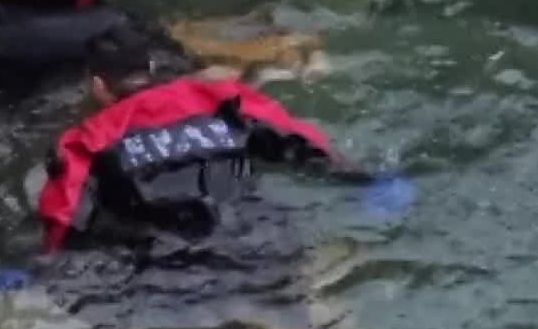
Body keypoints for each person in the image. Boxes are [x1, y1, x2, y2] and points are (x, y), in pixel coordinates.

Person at [37, 20, 373, 253]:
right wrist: (367, 180)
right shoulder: (221, 97)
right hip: (261, 235)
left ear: (98, 87)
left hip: (173, 263)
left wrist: (34, 266)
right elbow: (298, 139)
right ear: (151, 69)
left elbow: (64, 219)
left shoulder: (89, 138)